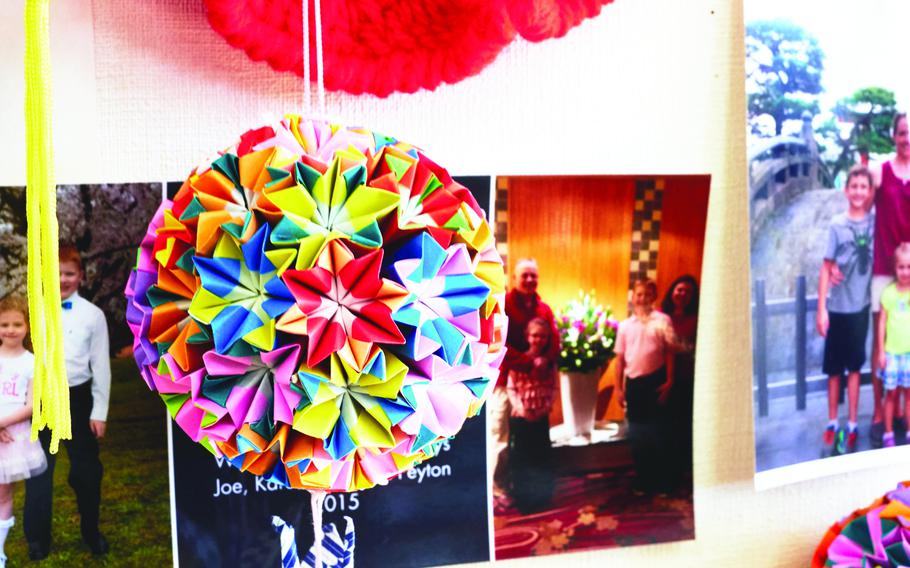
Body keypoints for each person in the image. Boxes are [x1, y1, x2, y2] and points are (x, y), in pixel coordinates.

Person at [24, 245, 111, 559]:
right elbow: (23, 360)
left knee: (88, 471)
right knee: (39, 469)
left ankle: (91, 531)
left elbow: (100, 365)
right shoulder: (36, 311)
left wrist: (99, 411)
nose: (62, 279)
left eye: (69, 274)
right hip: (44, 398)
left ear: (81, 277)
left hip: (79, 399)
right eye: (56, 274)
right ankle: (37, 538)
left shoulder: (94, 315)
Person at [490, 259, 559, 510]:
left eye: (533, 276)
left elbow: (553, 343)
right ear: (515, 278)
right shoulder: (504, 304)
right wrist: (528, 361)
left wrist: (544, 360)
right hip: (505, 382)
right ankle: (498, 488)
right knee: (501, 437)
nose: (529, 280)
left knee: (531, 440)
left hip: (535, 388)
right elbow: (496, 344)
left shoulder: (544, 309)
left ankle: (528, 487)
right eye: (525, 276)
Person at [816, 165, 874, 454]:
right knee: (834, 370)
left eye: (864, 186)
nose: (859, 192)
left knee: (854, 368)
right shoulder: (836, 224)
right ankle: (832, 422)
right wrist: (821, 309)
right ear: (846, 189)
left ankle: (852, 422)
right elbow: (826, 267)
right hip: (837, 308)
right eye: (854, 186)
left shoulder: (875, 222)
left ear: (870, 191)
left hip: (860, 308)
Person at [862, 112, 910, 447]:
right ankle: (880, 409)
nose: (907, 139)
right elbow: (858, 204)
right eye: (903, 133)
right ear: (894, 136)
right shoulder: (881, 171)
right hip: (883, 266)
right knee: (880, 338)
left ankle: (905, 410)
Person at [615, 279, 676, 495]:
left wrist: (669, 381)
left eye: (646, 294)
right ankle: (644, 480)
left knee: (659, 433)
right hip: (635, 385)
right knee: (638, 435)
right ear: (632, 298)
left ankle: (663, 482)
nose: (642, 298)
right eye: (638, 294)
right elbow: (620, 360)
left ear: (653, 297)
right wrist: (618, 389)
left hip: (657, 382)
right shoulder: (624, 326)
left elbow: (670, 352)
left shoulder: (663, 320)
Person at [0, 297, 47, 568]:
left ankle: (1, 551)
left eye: (17, 324)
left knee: (4, 494)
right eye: (4, 324)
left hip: (14, 437)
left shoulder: (32, 363)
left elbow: (31, 406)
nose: (10, 330)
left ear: (27, 327)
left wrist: (2, 423)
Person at [505, 318, 557, 513]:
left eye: (543, 336)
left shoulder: (550, 365)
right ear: (528, 337)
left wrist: (545, 408)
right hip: (522, 416)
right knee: (523, 459)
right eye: (535, 335)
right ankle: (525, 498)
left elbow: (554, 388)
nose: (538, 340)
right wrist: (522, 409)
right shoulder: (519, 361)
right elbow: (511, 389)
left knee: (540, 457)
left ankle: (542, 496)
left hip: (541, 415)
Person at [660, 274, 699, 471]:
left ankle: (683, 466)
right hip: (664, 375)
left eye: (688, 291)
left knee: (684, 422)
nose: (682, 294)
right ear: (672, 291)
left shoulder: (697, 318)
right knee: (665, 423)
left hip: (687, 376)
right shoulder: (661, 316)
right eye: (679, 289)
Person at [876, 243, 910, 448]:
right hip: (892, 354)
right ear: (894, 268)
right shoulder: (888, 294)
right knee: (890, 394)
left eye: (909, 267)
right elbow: (881, 324)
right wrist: (881, 351)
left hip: (909, 354)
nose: (905, 272)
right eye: (901, 267)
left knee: (909, 395)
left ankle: (908, 432)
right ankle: (888, 433)